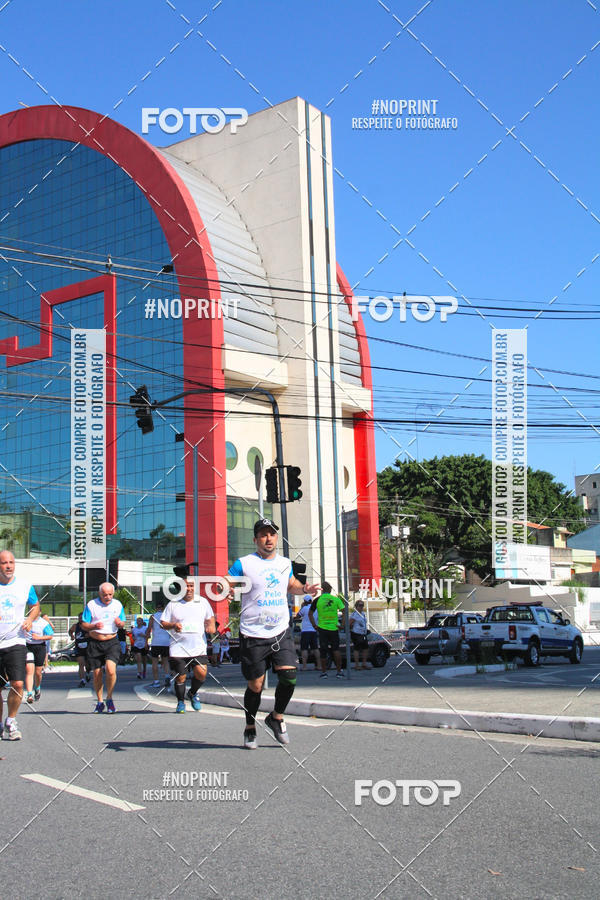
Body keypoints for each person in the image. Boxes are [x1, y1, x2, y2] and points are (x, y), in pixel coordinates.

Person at [226, 518, 318, 749]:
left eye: (272, 534)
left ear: (277, 538)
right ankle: (250, 727)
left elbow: (291, 584)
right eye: (263, 535)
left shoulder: (285, 563)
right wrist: (224, 588)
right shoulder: (244, 563)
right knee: (256, 685)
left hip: (280, 630)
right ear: (255, 539)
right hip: (253, 633)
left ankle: (276, 717)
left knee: (289, 676)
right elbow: (227, 580)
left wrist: (304, 588)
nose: (268, 539)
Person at [0, 549, 39, 740]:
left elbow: (35, 606)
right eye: (4, 563)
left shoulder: (24, 586)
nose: (8, 566)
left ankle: (11, 720)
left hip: (16, 641)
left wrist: (30, 619)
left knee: (17, 683)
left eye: (11, 563)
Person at [161, 578, 215, 713]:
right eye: (186, 586)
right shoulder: (173, 603)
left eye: (191, 586)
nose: (189, 589)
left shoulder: (203, 602)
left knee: (201, 673)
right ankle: (180, 702)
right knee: (181, 677)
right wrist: (173, 625)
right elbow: (163, 623)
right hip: (178, 647)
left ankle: (192, 693)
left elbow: (210, 617)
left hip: (198, 646)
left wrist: (211, 626)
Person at [81, 583, 126, 714]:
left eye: (110, 594)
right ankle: (100, 701)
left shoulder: (117, 605)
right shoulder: (92, 605)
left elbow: (122, 622)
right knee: (97, 674)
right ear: (99, 593)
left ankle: (109, 698)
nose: (108, 597)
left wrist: (120, 623)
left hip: (112, 641)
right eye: (105, 595)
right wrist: (94, 626)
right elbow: (84, 624)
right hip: (95, 642)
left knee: (111, 670)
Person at [309, 582, 346, 678]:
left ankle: (324, 672)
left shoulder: (317, 600)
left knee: (323, 651)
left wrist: (314, 625)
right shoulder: (336, 599)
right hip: (334, 628)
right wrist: (342, 625)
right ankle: (339, 671)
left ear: (322, 590)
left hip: (322, 628)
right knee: (336, 650)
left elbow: (310, 613)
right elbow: (344, 612)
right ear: (330, 589)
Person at [25, 612, 54, 702]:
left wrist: (38, 638)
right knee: (29, 670)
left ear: (39, 612)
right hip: (28, 646)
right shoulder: (25, 621)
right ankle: (29, 694)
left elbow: (50, 636)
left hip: (40, 647)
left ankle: (37, 688)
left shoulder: (43, 623)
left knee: (38, 672)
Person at [146, 600, 171, 687]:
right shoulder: (167, 617)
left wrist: (146, 641)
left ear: (156, 608)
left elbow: (149, 629)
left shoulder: (153, 616)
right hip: (166, 642)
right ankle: (167, 677)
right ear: (163, 608)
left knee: (155, 662)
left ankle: (156, 681)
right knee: (165, 661)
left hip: (156, 642)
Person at [295, 595, 320, 671]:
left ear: (305, 601)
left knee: (304, 649)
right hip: (314, 630)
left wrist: (302, 607)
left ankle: (304, 666)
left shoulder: (305, 608)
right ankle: (319, 665)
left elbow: (298, 616)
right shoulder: (316, 609)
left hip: (305, 631)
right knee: (315, 648)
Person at [69, 613, 90, 686]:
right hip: (79, 646)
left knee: (88, 663)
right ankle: (82, 680)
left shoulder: (88, 626)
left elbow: (95, 632)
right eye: (79, 618)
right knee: (81, 663)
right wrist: (71, 636)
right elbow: (70, 631)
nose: (80, 619)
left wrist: (90, 634)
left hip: (88, 646)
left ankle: (87, 673)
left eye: (82, 618)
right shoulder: (75, 626)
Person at [349, 599, 370, 670]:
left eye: (362, 605)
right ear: (356, 606)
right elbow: (349, 623)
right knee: (357, 648)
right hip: (356, 634)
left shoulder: (363, 614)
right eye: (360, 605)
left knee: (365, 648)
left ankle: (364, 664)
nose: (361, 607)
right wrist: (351, 629)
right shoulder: (354, 615)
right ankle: (356, 665)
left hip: (363, 634)